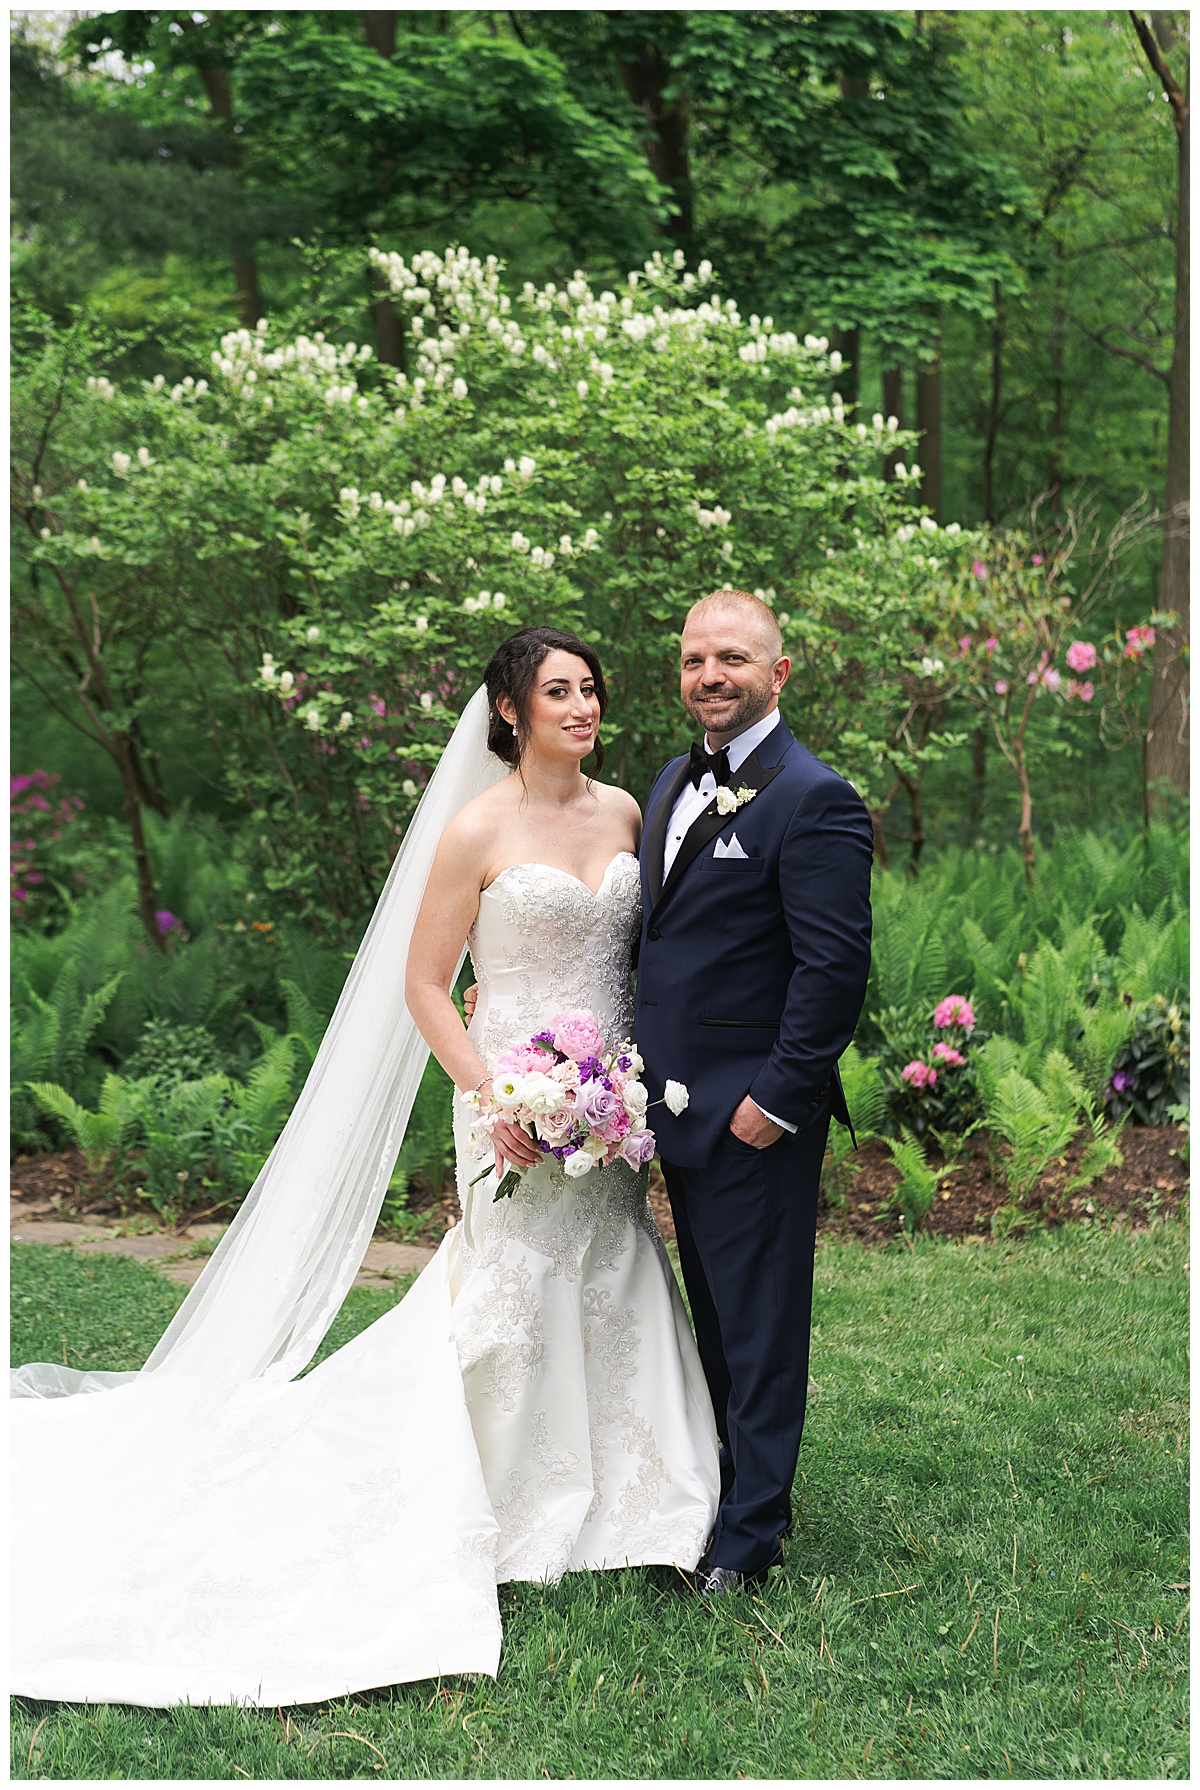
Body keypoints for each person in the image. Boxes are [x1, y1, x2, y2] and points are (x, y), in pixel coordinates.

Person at [10, 627, 718, 1708]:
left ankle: (650, 1497)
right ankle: (499, 1492)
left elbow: (649, 957)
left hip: (609, 1098)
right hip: (507, 1091)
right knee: (514, 1282)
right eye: (559, 692)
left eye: (591, 690)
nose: (583, 706)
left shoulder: (627, 812)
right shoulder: (475, 827)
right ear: (511, 714)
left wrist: (617, 1081)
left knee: (617, 1260)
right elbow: (428, 983)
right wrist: (495, 1095)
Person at [637, 588, 873, 1596]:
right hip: (678, 1108)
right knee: (719, 1320)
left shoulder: (812, 795)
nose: (710, 675)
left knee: (763, 1323)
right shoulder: (668, 780)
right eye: (695, 659)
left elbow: (833, 969)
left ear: (780, 672)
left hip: (752, 1116)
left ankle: (750, 1541)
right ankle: (723, 1496)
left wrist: (773, 1100)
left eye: (731, 657)